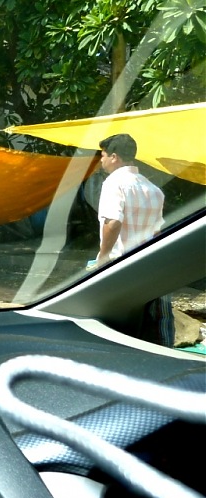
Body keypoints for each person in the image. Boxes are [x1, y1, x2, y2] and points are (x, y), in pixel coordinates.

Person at [96, 133, 172, 346]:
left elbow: (113, 222)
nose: (100, 160)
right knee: (156, 322)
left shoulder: (114, 183)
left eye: (102, 155)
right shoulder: (152, 188)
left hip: (122, 266)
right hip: (151, 264)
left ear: (114, 157)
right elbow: (157, 232)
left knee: (120, 326)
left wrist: (103, 256)